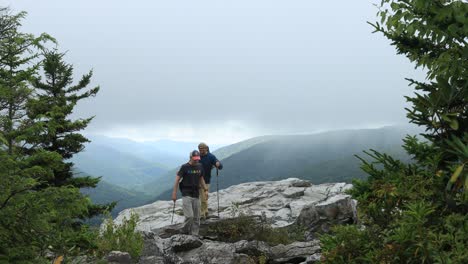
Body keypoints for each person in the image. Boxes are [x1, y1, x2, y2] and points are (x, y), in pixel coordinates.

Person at [172, 150, 208, 236]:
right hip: (186, 193)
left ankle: (194, 235)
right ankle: (184, 230)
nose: (196, 160)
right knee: (189, 216)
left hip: (196, 193)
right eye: (195, 159)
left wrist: (205, 190)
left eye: (197, 159)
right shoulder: (184, 167)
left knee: (196, 217)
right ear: (191, 157)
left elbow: (201, 178)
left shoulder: (200, 166)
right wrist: (174, 193)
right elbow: (177, 180)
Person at [197, 142, 223, 219]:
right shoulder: (197, 156)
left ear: (206, 148)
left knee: (203, 197)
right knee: (202, 197)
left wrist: (218, 164)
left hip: (206, 180)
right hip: (196, 180)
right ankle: (205, 212)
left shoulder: (211, 157)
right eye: (199, 149)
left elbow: (220, 166)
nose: (201, 151)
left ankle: (202, 214)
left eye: (202, 149)